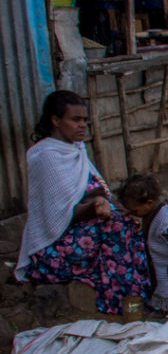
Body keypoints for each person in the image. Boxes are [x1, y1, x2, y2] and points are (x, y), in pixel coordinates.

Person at [16, 91, 148, 314]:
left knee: (129, 224)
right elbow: (60, 217)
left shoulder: (77, 150)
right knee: (115, 227)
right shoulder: (46, 156)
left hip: (81, 232)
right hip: (54, 246)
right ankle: (118, 303)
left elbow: (99, 191)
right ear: (55, 120)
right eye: (75, 119)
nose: (82, 125)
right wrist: (96, 206)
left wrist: (122, 211)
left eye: (84, 120)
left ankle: (134, 301)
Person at [118, 173, 168, 318]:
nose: (134, 214)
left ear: (149, 202)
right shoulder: (151, 213)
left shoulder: (166, 217)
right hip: (165, 260)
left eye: (135, 211)